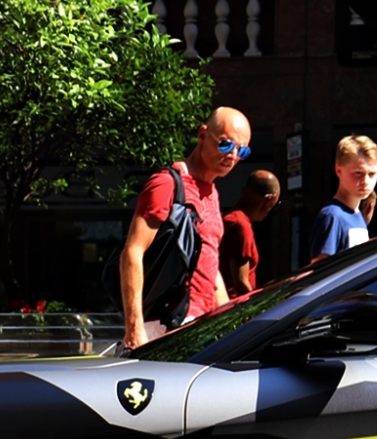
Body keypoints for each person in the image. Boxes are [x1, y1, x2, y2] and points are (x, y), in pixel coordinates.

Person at [120, 106, 251, 349]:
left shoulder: (212, 193)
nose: (232, 155)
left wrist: (226, 323)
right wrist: (135, 328)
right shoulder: (166, 184)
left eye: (241, 150)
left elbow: (209, 268)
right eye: (225, 144)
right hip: (164, 326)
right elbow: (132, 252)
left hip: (197, 328)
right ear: (202, 135)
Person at [311, 135, 377, 264]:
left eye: (372, 174)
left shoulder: (358, 215)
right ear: (339, 170)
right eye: (358, 173)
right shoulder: (332, 216)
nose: (366, 182)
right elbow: (320, 270)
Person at [221, 168, 282, 300]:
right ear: (269, 199)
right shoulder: (240, 226)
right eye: (275, 204)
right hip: (233, 308)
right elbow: (241, 284)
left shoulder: (227, 218)